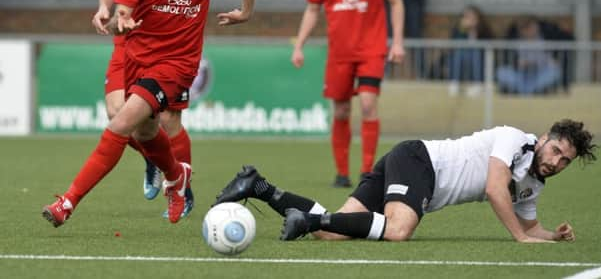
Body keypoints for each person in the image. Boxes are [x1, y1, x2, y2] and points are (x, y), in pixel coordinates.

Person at [42, 0, 257, 227]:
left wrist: (245, 11)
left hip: (176, 66)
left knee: (122, 122)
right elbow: (121, 14)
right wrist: (120, 21)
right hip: (137, 59)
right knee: (144, 132)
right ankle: (176, 177)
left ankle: (68, 202)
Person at [215, 119, 596, 243]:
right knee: (399, 230)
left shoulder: (534, 184)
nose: (557, 161)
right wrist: (521, 239)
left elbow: (529, 224)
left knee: (331, 234)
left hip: (411, 167)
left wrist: (550, 236)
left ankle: (258, 186)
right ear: (544, 139)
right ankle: (309, 219)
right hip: (421, 162)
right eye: (556, 150)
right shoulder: (514, 139)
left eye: (565, 160)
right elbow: (496, 189)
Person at [91, 0, 197, 219]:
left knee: (168, 123)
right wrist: (105, 7)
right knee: (118, 115)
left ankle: (183, 185)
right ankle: (159, 163)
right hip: (128, 40)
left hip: (168, 44)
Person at [291, 0, 405, 188]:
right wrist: (300, 44)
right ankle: (341, 174)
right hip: (340, 53)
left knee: (367, 104)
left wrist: (398, 42)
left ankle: (367, 172)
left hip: (371, 49)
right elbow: (312, 9)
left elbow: (396, 1)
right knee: (340, 111)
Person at [496, 16, 565, 95]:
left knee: (555, 71)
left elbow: (551, 59)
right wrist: (518, 63)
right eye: (527, 28)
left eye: (533, 27)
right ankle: (520, 91)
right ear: (521, 30)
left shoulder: (546, 38)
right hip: (520, 74)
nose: (531, 30)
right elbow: (510, 61)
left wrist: (549, 62)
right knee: (502, 72)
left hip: (540, 73)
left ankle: (535, 91)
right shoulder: (515, 41)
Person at [448, 5, 494, 97]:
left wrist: (476, 30)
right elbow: (454, 42)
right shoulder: (459, 28)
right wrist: (462, 30)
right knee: (458, 53)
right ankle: (454, 82)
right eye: (467, 17)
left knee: (475, 52)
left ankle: (478, 84)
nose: (469, 19)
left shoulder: (483, 27)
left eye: (472, 17)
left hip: (479, 56)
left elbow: (489, 41)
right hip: (463, 55)